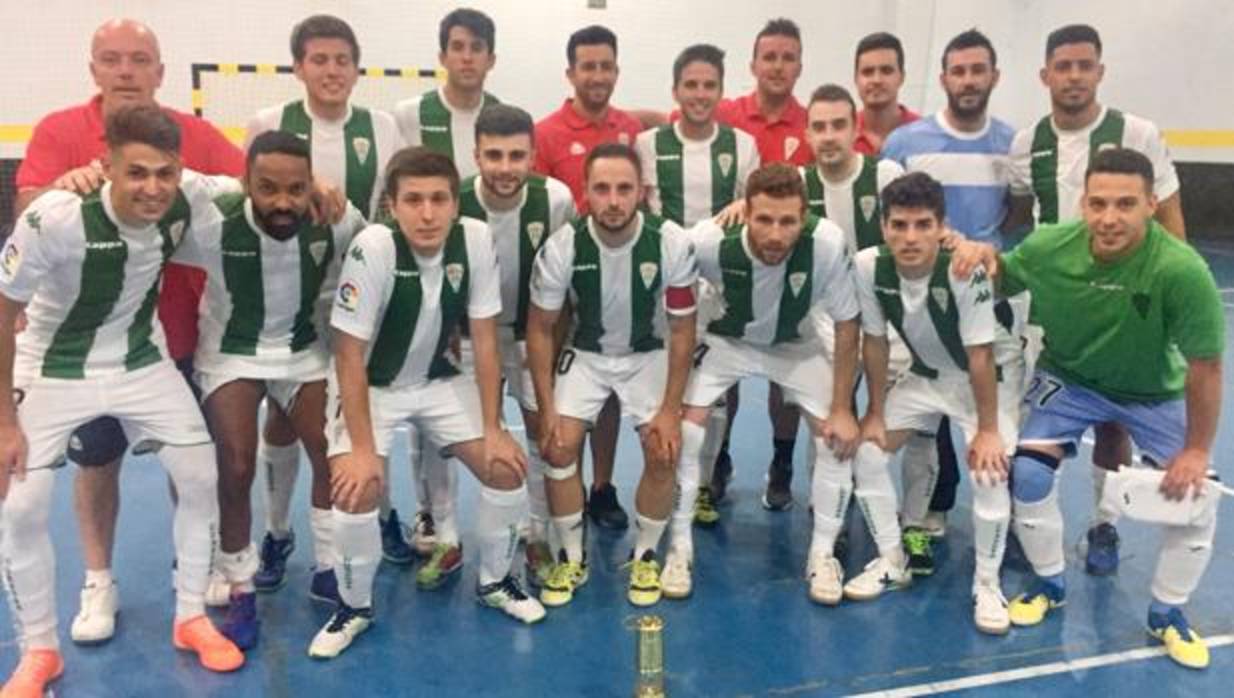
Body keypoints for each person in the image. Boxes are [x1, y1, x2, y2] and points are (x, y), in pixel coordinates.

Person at [10, 17, 245, 645]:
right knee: (88, 466)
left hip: (163, 339)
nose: (125, 71)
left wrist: (316, 193)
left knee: (194, 469)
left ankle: (191, 593)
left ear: (159, 71)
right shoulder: (59, 142)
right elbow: (28, 214)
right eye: (111, 59)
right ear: (93, 68)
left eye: (139, 59)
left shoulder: (192, 142)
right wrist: (61, 189)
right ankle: (95, 584)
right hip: (63, 354)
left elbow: (247, 189)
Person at [953, 147, 1223, 669]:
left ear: (1151, 205)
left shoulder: (1181, 270)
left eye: (1125, 204)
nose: (1109, 218)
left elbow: (1206, 367)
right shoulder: (1050, 246)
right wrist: (981, 254)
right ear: (1083, 204)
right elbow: (1003, 274)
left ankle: (1167, 612)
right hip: (1070, 381)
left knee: (1198, 498)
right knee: (1029, 473)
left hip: (1151, 391)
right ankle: (1049, 583)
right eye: (1098, 203)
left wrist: (1196, 450)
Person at [310, 147, 544, 660]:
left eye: (439, 199)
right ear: (391, 206)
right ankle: (354, 607)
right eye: (413, 200)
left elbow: (485, 339)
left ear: (455, 204)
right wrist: (364, 451)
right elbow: (348, 356)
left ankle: (495, 581)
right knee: (356, 489)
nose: (428, 213)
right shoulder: (373, 248)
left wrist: (494, 427)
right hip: (371, 386)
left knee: (506, 467)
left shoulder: (474, 239)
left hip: (438, 380)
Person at [170, 130, 367, 649]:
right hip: (230, 353)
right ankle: (240, 585)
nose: (283, 201)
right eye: (268, 188)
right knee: (235, 464)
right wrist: (80, 179)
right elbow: (151, 175)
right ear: (245, 182)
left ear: (312, 185)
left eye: (296, 189)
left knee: (331, 450)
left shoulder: (336, 218)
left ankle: (328, 566)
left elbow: (379, 259)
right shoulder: (212, 209)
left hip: (302, 352)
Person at [1006, 23, 1187, 576]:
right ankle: (1026, 523)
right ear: (1045, 75)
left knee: (1113, 422)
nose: (1074, 76)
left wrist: (1164, 307)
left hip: (1120, 308)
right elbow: (1023, 219)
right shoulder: (1026, 143)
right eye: (1063, 67)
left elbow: (1172, 223)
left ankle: (1104, 524)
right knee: (1035, 417)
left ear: (1100, 71)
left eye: (1084, 65)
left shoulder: (1137, 133)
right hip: (1049, 311)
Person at [244, 13, 408, 589]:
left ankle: (380, 513)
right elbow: (252, 194)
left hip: (357, 293)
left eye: (342, 60)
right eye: (319, 60)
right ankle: (276, 529)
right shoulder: (269, 123)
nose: (332, 70)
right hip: (285, 292)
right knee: (283, 417)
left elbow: (390, 209)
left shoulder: (383, 128)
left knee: (362, 410)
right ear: (298, 67)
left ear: (357, 69)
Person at [665, 163, 861, 600]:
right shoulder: (710, 241)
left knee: (836, 439)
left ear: (805, 216)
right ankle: (678, 547)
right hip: (727, 340)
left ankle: (822, 555)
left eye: (788, 221)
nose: (775, 234)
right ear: (745, 213)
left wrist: (843, 408)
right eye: (764, 219)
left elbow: (848, 324)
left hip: (796, 344)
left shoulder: (827, 244)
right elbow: (671, 283)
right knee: (686, 433)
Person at [852, 172, 1023, 635]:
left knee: (989, 471)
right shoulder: (868, 267)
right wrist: (874, 413)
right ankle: (892, 560)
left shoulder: (964, 269)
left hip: (982, 383)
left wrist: (988, 430)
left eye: (923, 225)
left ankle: (987, 584)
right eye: (899, 225)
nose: (910, 237)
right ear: (883, 226)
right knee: (867, 453)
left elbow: (981, 356)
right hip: (926, 375)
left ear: (942, 226)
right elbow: (874, 342)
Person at [527, 143, 697, 607]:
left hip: (647, 354)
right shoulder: (563, 246)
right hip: (586, 353)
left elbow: (683, 329)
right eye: (602, 189)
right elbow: (540, 330)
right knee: (558, 446)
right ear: (586, 192)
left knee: (663, 449)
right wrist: (546, 408)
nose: (614, 200)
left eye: (624, 189)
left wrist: (670, 409)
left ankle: (645, 557)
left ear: (641, 191)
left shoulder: (671, 242)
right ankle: (572, 557)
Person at [418, 103, 575, 590]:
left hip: (531, 336)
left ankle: (536, 533)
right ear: (476, 155)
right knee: (442, 435)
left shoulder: (556, 200)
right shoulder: (454, 201)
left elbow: (566, 279)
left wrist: (556, 344)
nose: (505, 167)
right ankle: (445, 535)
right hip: (464, 337)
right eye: (494, 156)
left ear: (533, 155)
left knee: (542, 429)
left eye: (516, 156)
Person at [879, 27, 1016, 568]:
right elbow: (894, 212)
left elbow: (1016, 214)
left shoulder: (1011, 144)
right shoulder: (905, 144)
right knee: (926, 407)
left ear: (994, 76)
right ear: (943, 79)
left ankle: (1002, 520)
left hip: (983, 295)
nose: (968, 80)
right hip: (923, 293)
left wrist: (984, 253)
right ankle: (929, 509)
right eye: (958, 71)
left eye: (977, 70)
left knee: (987, 404)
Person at [634, 43, 759, 525]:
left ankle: (703, 484)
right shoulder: (649, 144)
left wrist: (746, 205)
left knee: (714, 389)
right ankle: (665, 478)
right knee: (666, 387)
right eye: (691, 85)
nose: (700, 94)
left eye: (709, 85)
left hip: (719, 287)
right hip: (664, 286)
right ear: (675, 90)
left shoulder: (742, 145)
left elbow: (756, 205)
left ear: (722, 91)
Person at [534, 24, 642, 529]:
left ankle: (602, 486)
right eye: (588, 67)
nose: (597, 75)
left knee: (612, 388)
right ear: (570, 72)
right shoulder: (546, 133)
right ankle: (569, 485)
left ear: (617, 71)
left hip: (619, 278)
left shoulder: (631, 129)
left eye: (606, 66)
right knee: (569, 391)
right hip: (565, 282)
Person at [394, 8, 499, 178]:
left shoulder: (502, 117)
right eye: (458, 47)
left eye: (476, 48)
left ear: (491, 60)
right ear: (442, 58)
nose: (467, 57)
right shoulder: (408, 114)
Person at [852, 32, 920, 156]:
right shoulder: (841, 135)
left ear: (902, 77)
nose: (877, 80)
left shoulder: (924, 134)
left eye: (886, 71)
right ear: (856, 79)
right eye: (868, 72)